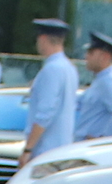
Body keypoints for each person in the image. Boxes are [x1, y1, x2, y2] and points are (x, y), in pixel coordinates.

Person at [19, 15, 77, 162]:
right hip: (61, 148)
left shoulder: (52, 69)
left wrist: (28, 149)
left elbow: (45, 113)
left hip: (46, 151)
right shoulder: (69, 68)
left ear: (43, 38)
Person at [75, 31, 112, 140]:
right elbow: (79, 102)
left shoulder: (108, 81)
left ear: (104, 56)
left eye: (91, 52)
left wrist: (103, 139)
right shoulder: (101, 80)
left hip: (90, 148)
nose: (86, 56)